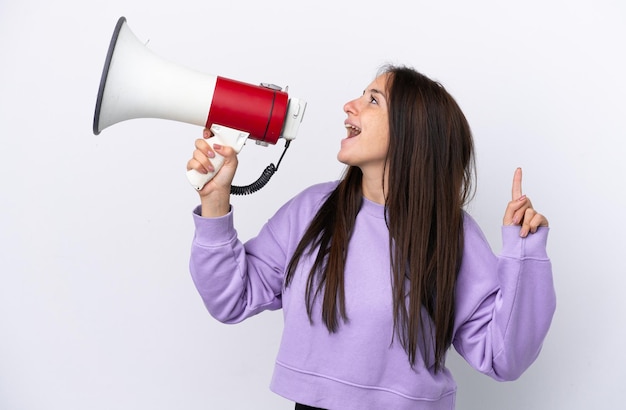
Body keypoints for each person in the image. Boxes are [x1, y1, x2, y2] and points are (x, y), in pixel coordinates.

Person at [186, 65, 556, 410]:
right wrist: (216, 200)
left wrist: (525, 255)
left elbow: (503, 357)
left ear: (412, 131)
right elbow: (230, 300)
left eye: (373, 100)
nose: (349, 106)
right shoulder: (311, 210)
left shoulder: (450, 235)